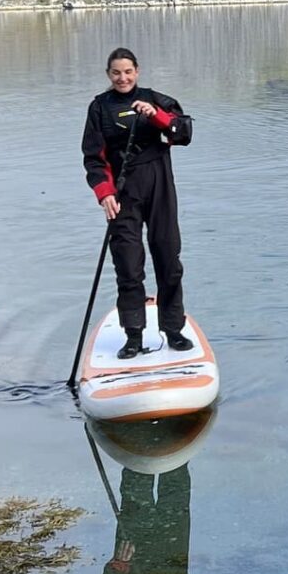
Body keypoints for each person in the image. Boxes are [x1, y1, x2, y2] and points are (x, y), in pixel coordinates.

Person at [81, 46, 193, 359]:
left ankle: (173, 330)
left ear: (137, 72)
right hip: (121, 195)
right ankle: (133, 335)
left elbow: (183, 133)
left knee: (168, 260)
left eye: (128, 72)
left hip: (159, 188)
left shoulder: (156, 99)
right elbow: (93, 158)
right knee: (128, 267)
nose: (122, 78)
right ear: (108, 74)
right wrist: (104, 194)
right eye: (116, 72)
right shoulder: (99, 108)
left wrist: (155, 116)